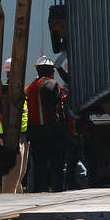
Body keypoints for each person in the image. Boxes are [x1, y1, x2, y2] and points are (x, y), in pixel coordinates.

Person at [25, 56, 66, 192]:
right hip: (50, 130)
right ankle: (57, 190)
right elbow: (54, 110)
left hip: (34, 132)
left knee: (39, 165)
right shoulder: (52, 84)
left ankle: (39, 191)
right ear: (51, 71)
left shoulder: (29, 88)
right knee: (56, 163)